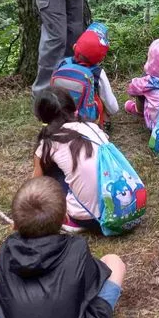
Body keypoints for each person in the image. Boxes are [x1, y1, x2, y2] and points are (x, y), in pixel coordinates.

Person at [0, 177, 125, 318]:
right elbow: (93, 284)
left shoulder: (6, 251)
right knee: (114, 262)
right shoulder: (77, 248)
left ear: (14, 224)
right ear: (65, 218)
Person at [32, 87, 110, 233]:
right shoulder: (93, 127)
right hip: (127, 203)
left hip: (93, 218)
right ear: (73, 108)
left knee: (50, 172)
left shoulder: (48, 143)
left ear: (42, 118)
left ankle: (73, 217)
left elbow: (35, 186)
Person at [71, 27, 118, 125]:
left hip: (63, 113)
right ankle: (104, 122)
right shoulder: (97, 72)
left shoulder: (63, 63)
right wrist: (112, 110)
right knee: (100, 98)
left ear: (75, 47)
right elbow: (110, 103)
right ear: (100, 58)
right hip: (87, 118)